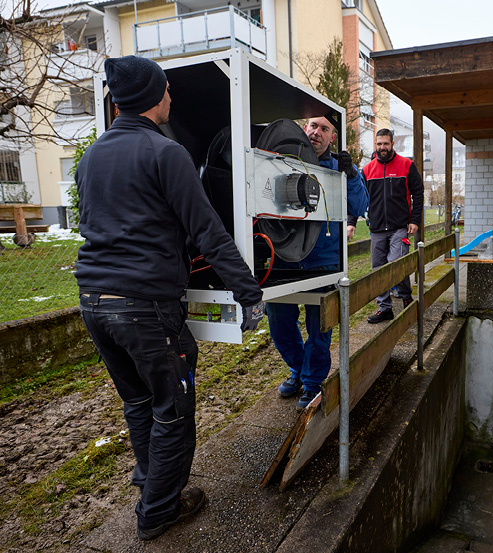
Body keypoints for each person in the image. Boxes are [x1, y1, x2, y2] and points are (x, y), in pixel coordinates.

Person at [75, 56, 264, 541]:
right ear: (154, 98)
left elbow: (108, 221)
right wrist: (248, 293)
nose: (172, 99)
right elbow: (207, 230)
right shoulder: (167, 152)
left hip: (94, 301)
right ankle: (159, 510)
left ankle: (149, 481)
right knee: (173, 408)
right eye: (167, 91)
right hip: (145, 307)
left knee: (140, 402)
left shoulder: (93, 155)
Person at [267, 115, 369, 409]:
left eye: (325, 128)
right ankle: (298, 369)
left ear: (333, 137)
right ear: (304, 128)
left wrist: (350, 175)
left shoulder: (341, 167)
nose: (316, 132)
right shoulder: (285, 158)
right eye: (313, 126)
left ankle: (312, 383)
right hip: (284, 257)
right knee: (279, 320)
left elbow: (360, 206)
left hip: (323, 261)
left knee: (319, 327)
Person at [361, 128, 424, 323]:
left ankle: (405, 297)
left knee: (396, 264)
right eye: (379, 144)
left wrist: (414, 220)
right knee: (378, 269)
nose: (382, 148)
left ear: (392, 144)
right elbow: (359, 197)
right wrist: (352, 222)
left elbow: (418, 194)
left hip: (399, 227)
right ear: (376, 145)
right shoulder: (367, 169)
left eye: (385, 144)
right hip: (377, 228)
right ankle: (385, 308)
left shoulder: (406, 165)